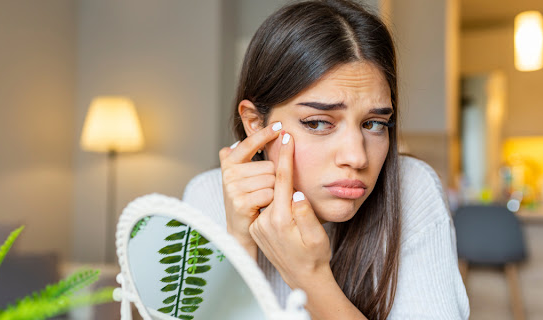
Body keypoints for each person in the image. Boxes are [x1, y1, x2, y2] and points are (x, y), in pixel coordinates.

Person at [183, 0, 469, 319]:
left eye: (374, 124)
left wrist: (310, 277)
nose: (356, 157)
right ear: (254, 123)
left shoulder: (411, 189)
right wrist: (238, 247)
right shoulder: (206, 197)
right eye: (318, 122)